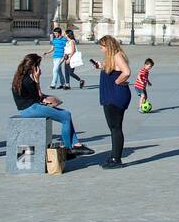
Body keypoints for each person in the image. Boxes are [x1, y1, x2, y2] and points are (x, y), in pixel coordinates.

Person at [11, 52, 94, 156]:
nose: (39, 68)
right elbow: (38, 96)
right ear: (33, 66)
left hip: (27, 108)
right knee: (65, 116)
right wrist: (37, 80)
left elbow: (33, 96)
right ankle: (68, 149)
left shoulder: (19, 77)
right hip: (31, 109)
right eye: (38, 66)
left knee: (66, 114)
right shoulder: (28, 80)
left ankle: (76, 144)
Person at [90, 35, 132, 167]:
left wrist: (117, 81)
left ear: (108, 46)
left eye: (102, 47)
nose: (101, 49)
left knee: (115, 127)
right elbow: (113, 68)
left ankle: (117, 159)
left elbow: (126, 71)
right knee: (114, 127)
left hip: (115, 95)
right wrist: (101, 66)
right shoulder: (114, 56)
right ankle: (114, 156)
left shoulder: (117, 55)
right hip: (112, 94)